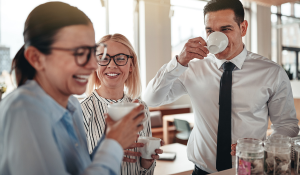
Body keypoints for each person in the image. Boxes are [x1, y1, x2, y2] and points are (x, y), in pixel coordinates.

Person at [143, 0, 299, 174]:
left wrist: (263, 147)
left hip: (250, 169)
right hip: (201, 171)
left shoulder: (271, 72)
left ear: (243, 28)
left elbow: (287, 124)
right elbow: (151, 99)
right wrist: (178, 62)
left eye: (226, 29)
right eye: (210, 30)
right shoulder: (192, 68)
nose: (217, 37)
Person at [0, 2, 145, 175]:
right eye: (79, 52)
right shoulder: (24, 110)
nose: (93, 65)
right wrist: (112, 145)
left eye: (92, 51)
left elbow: (81, 170)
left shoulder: (72, 105)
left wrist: (108, 140)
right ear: (36, 58)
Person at [81, 33, 164, 175]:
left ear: (131, 66)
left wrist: (147, 162)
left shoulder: (141, 108)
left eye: (120, 58)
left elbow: (147, 172)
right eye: (103, 58)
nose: (112, 65)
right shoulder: (81, 111)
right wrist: (107, 153)